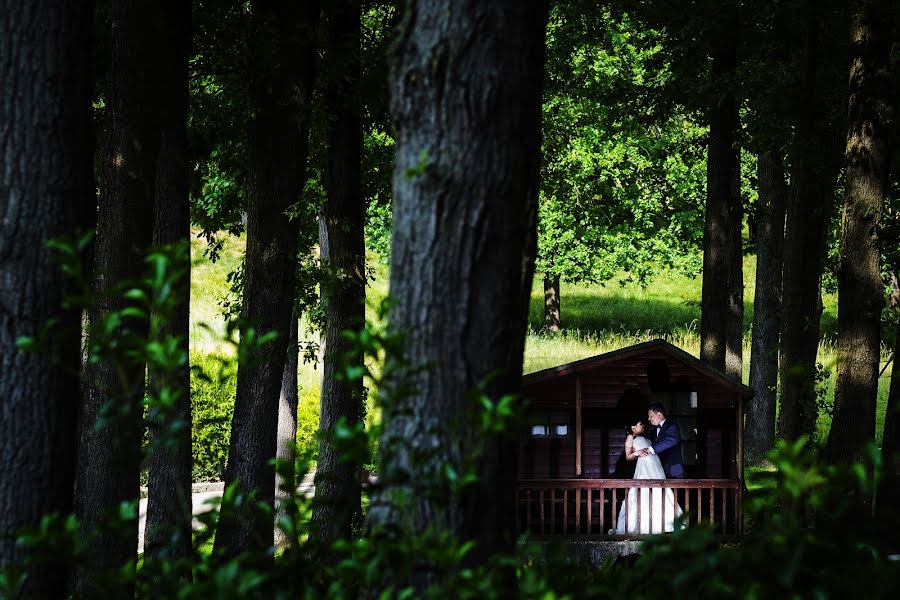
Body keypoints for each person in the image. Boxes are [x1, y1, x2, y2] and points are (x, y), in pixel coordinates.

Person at [610, 419, 683, 535]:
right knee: (643, 491)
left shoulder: (648, 437)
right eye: (640, 425)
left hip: (655, 465)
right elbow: (628, 457)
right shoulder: (631, 437)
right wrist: (637, 453)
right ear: (633, 427)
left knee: (660, 490)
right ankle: (641, 525)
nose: (642, 426)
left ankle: (665, 523)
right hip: (644, 466)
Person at [637, 402, 685, 479]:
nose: (649, 418)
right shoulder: (653, 431)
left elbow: (671, 440)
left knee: (678, 490)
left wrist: (650, 449)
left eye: (651, 416)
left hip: (674, 470)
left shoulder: (672, 426)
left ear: (659, 415)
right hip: (659, 470)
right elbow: (644, 440)